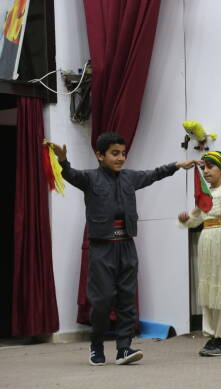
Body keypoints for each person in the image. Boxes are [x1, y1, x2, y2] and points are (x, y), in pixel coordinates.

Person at [45, 132, 195, 366]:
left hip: (126, 245)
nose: (121, 158)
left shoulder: (129, 177)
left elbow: (154, 174)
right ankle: (96, 345)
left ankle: (124, 348)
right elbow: (70, 174)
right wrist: (63, 160)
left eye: (123, 153)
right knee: (102, 300)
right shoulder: (90, 178)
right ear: (100, 155)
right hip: (102, 248)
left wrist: (176, 165)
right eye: (115, 153)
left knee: (127, 299)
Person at [178, 151, 221, 357]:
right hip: (206, 239)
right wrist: (185, 220)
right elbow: (195, 220)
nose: (205, 171)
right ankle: (212, 334)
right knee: (208, 285)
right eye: (203, 167)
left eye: (210, 166)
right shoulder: (204, 196)